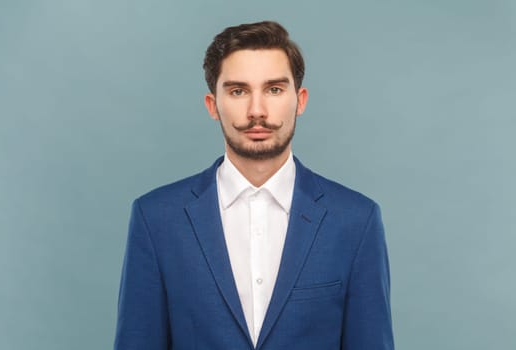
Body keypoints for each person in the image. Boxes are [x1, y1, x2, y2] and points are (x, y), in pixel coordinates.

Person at [114, 20, 394, 350]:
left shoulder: (355, 221)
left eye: (274, 89)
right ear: (212, 105)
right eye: (238, 91)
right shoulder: (156, 219)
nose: (256, 111)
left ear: (300, 100)